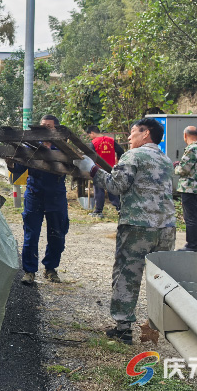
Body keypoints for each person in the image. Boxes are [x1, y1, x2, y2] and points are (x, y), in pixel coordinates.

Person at [73, 118, 175, 345]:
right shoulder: (166, 160)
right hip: (167, 227)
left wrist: (92, 169)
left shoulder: (133, 156)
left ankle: (123, 329)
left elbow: (115, 186)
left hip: (138, 227)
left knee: (127, 276)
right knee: (160, 279)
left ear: (146, 133)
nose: (128, 138)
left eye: (132, 133)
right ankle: (156, 327)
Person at [7, 114, 69, 285]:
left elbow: (72, 165)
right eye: (41, 125)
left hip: (56, 196)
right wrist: (11, 161)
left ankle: (50, 269)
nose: (43, 129)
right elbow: (18, 169)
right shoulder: (30, 147)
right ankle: (29, 271)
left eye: (48, 126)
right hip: (34, 194)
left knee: (57, 235)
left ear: (55, 129)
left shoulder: (63, 149)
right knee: (31, 235)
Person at [174, 126, 197, 252]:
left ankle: (191, 245)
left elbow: (184, 169)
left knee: (190, 217)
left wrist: (176, 167)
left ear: (185, 136)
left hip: (189, 187)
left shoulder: (191, 149)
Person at [85, 126, 124, 217]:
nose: (90, 137)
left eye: (90, 135)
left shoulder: (93, 143)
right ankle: (120, 208)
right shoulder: (111, 140)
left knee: (99, 190)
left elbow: (90, 157)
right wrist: (118, 159)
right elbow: (121, 151)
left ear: (92, 133)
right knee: (112, 188)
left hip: (98, 170)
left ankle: (98, 211)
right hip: (111, 168)